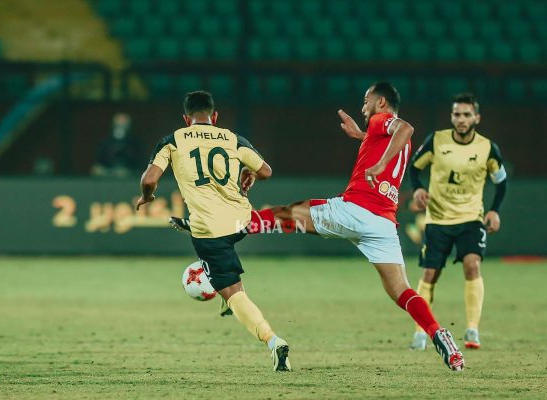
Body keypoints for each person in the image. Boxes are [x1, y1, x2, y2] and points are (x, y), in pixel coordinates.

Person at [171, 83, 465, 371]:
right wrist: (362, 136)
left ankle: (216, 227)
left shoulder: (386, 121)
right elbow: (394, 141)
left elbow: (406, 128)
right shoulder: (381, 133)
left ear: (382, 103)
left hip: (355, 210)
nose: (363, 107)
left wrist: (377, 165)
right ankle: (440, 335)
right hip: (383, 222)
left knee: (286, 215)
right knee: (402, 290)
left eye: (367, 100)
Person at [136, 91, 291, 372]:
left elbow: (149, 179)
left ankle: (273, 340)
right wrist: (250, 172)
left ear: (186, 119)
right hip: (241, 220)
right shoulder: (233, 139)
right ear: (214, 116)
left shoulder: (172, 140)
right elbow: (266, 170)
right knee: (225, 244)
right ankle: (200, 239)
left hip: (210, 231)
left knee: (233, 291)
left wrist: (147, 196)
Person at [407, 93, 507, 351]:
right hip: (437, 218)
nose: (461, 119)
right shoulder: (436, 141)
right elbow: (414, 168)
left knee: (473, 266)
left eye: (466, 114)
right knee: (430, 274)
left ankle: (472, 328)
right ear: (451, 116)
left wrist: (494, 211)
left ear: (476, 118)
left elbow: (501, 181)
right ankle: (420, 332)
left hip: (470, 218)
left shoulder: (488, 148)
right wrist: (417, 189)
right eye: (456, 114)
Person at [92, 112, 143, 177]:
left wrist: (128, 171)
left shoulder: (135, 144)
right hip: (107, 177)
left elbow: (139, 164)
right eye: (118, 124)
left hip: (129, 179)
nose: (120, 126)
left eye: (123, 124)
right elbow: (98, 164)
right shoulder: (105, 143)